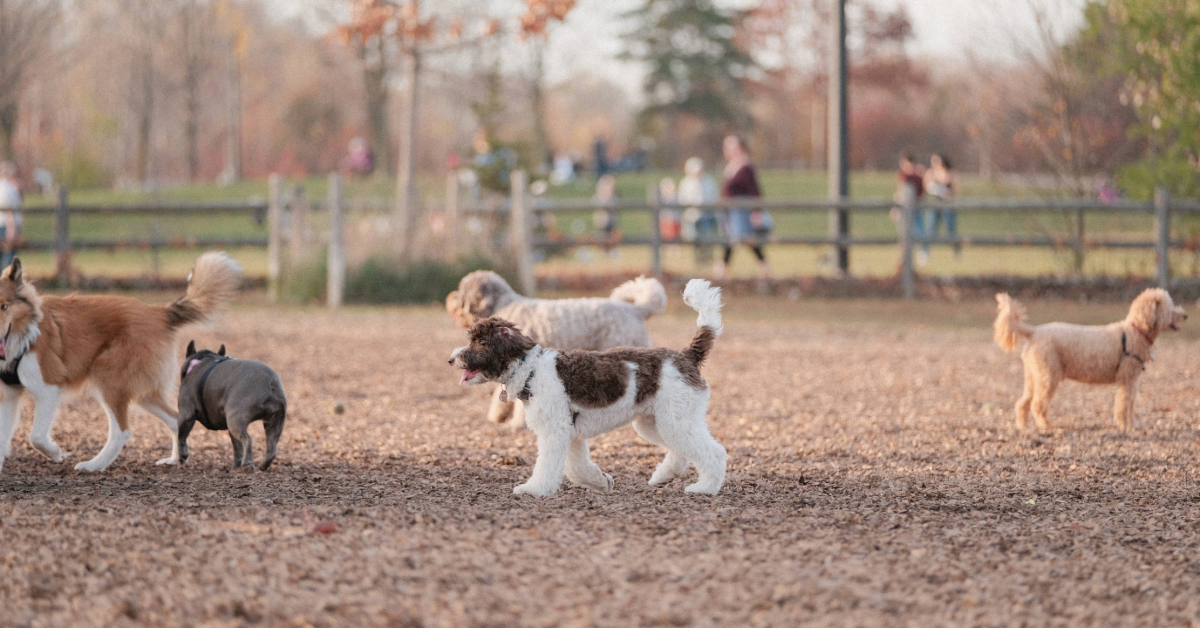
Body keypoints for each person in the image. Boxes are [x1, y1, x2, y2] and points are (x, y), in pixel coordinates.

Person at [716, 135, 770, 280]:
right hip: (732, 210)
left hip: (741, 211)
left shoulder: (745, 167)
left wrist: (756, 212)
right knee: (735, 239)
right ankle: (724, 268)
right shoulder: (732, 166)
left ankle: (763, 266)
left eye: (730, 147)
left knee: (743, 239)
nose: (726, 150)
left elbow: (754, 190)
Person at [678, 157, 719, 265]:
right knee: (694, 238)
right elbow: (682, 199)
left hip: (707, 215)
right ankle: (698, 259)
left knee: (707, 238)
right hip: (692, 216)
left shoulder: (709, 181)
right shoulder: (686, 183)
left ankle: (707, 259)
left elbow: (714, 196)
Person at [893, 153, 927, 265]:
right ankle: (904, 257)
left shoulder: (918, 177)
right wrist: (896, 208)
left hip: (915, 208)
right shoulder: (902, 176)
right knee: (904, 234)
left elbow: (922, 193)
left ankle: (923, 253)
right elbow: (899, 193)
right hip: (904, 209)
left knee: (919, 231)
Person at [924, 153, 959, 257]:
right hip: (935, 204)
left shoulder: (950, 173)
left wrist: (947, 192)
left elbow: (955, 190)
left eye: (936, 160)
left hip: (947, 204)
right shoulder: (930, 173)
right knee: (930, 228)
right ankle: (926, 252)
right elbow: (926, 186)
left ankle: (956, 252)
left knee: (951, 229)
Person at [0, 162, 22, 269]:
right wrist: (12, 226)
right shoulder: (7, 187)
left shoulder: (7, 186)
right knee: (9, 255)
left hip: (5, 224)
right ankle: (8, 281)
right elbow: (9, 207)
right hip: (6, 225)